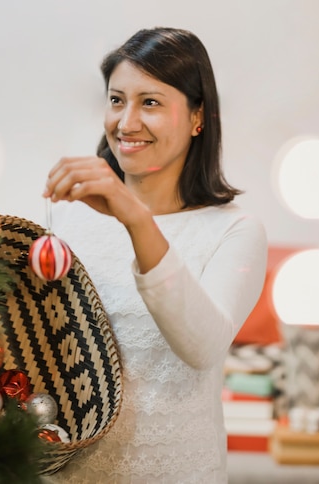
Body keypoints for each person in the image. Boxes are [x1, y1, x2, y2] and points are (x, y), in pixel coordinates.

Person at [41, 27, 268, 483]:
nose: (126, 123)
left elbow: (202, 347)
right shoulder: (67, 215)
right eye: (116, 100)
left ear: (197, 116)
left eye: (151, 102)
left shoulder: (236, 232)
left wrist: (136, 219)